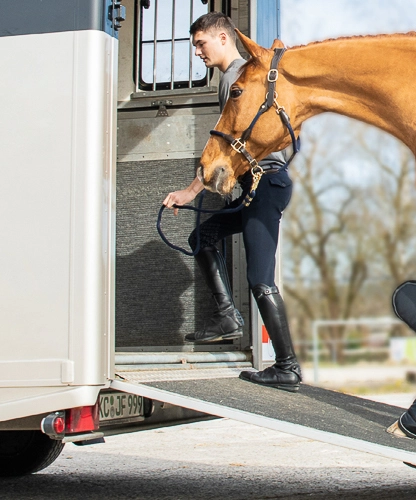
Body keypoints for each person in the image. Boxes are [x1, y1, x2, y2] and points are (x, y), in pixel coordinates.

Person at [162, 12, 300, 392]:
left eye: (201, 44)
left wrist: (190, 192)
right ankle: (227, 316)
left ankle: (287, 367)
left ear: (223, 38)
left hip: (266, 184)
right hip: (257, 187)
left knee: (260, 279)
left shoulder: (237, 78)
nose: (198, 52)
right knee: (202, 238)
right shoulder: (230, 78)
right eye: (195, 46)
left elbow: (224, 151)